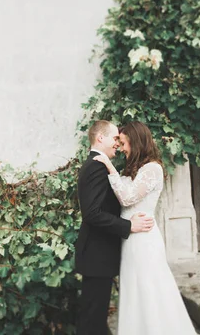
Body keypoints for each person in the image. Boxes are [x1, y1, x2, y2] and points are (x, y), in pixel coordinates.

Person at [93, 121, 196, 335]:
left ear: (135, 140)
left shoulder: (153, 168)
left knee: (149, 290)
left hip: (144, 240)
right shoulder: (134, 168)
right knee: (134, 291)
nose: (121, 147)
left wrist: (109, 167)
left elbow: (128, 197)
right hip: (130, 238)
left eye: (123, 142)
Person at [75, 120, 155, 335]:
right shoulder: (96, 167)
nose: (117, 145)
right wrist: (128, 225)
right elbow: (92, 214)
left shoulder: (99, 165)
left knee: (96, 318)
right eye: (114, 139)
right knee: (92, 319)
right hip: (96, 254)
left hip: (100, 254)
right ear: (100, 138)